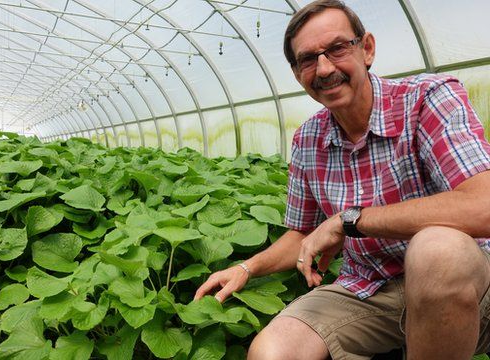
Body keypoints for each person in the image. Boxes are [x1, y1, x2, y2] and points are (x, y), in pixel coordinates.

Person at [194, 1, 490, 359]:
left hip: (470, 284)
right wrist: (246, 267)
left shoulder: (427, 99)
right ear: (296, 72)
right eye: (307, 59)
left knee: (437, 251)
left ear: (366, 49)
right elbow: (302, 234)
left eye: (337, 48)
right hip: (369, 287)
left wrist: (350, 221)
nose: (323, 68)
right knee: (272, 351)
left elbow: (483, 206)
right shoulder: (308, 139)